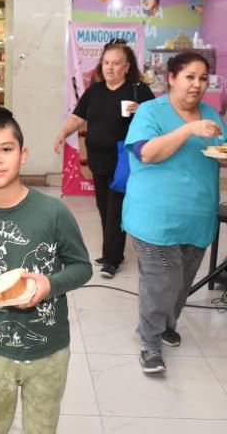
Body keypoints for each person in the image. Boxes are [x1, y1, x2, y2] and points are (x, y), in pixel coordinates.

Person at [0, 104, 92, 434]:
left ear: (23, 154)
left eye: (6, 149)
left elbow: (82, 267)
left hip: (49, 351)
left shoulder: (53, 212)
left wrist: (48, 285)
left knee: (42, 428)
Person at [123, 52, 227, 374]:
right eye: (190, 77)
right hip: (154, 218)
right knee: (162, 281)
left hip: (197, 216)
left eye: (203, 78)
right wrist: (188, 130)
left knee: (182, 282)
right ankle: (150, 343)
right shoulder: (150, 112)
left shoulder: (210, 113)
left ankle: (165, 323)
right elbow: (147, 153)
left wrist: (226, 153)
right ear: (171, 78)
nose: (197, 85)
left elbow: (225, 148)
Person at [53, 39, 154, 279]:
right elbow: (78, 117)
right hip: (98, 160)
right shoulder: (95, 91)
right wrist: (61, 134)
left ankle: (111, 258)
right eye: (106, 62)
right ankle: (112, 250)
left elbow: (156, 118)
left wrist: (142, 111)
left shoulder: (137, 90)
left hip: (123, 161)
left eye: (116, 63)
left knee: (115, 210)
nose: (110, 68)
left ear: (127, 66)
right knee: (103, 207)